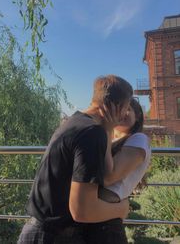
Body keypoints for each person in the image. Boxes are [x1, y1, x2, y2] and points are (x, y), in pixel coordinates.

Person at [17, 75, 133, 244]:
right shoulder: (92, 133)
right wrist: (121, 209)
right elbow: (83, 210)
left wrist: (108, 130)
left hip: (41, 232)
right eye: (126, 108)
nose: (125, 114)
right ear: (116, 107)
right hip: (54, 237)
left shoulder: (75, 121)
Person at [85, 97, 151, 244]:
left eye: (127, 109)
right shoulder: (110, 139)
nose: (121, 113)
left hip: (105, 222)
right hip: (94, 214)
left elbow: (109, 177)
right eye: (118, 109)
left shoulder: (138, 138)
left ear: (138, 115)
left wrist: (107, 128)